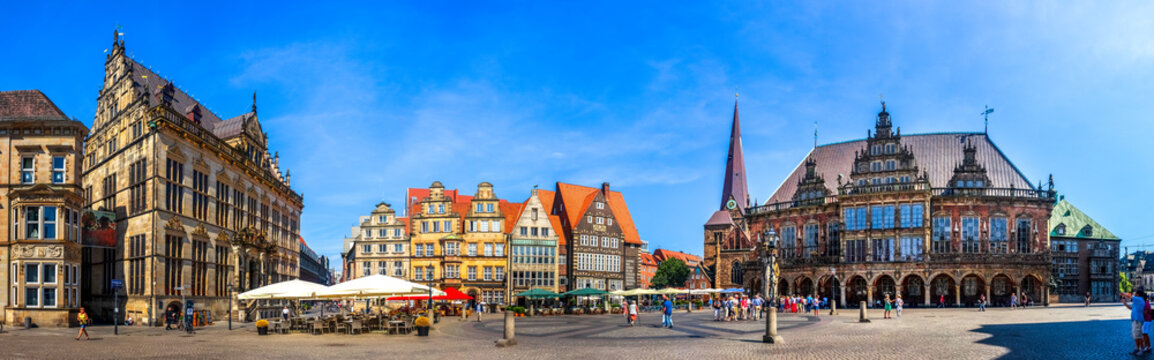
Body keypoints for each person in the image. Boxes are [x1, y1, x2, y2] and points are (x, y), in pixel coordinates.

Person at [1125, 289, 1150, 355]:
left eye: (1135, 293)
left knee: (1139, 336)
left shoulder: (1139, 299)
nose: (1134, 294)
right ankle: (1137, 348)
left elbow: (1129, 296)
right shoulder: (1137, 301)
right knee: (1135, 336)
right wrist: (1124, 303)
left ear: (1138, 295)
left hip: (1138, 320)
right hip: (1135, 320)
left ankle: (1141, 349)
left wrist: (1122, 293)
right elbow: (1131, 308)